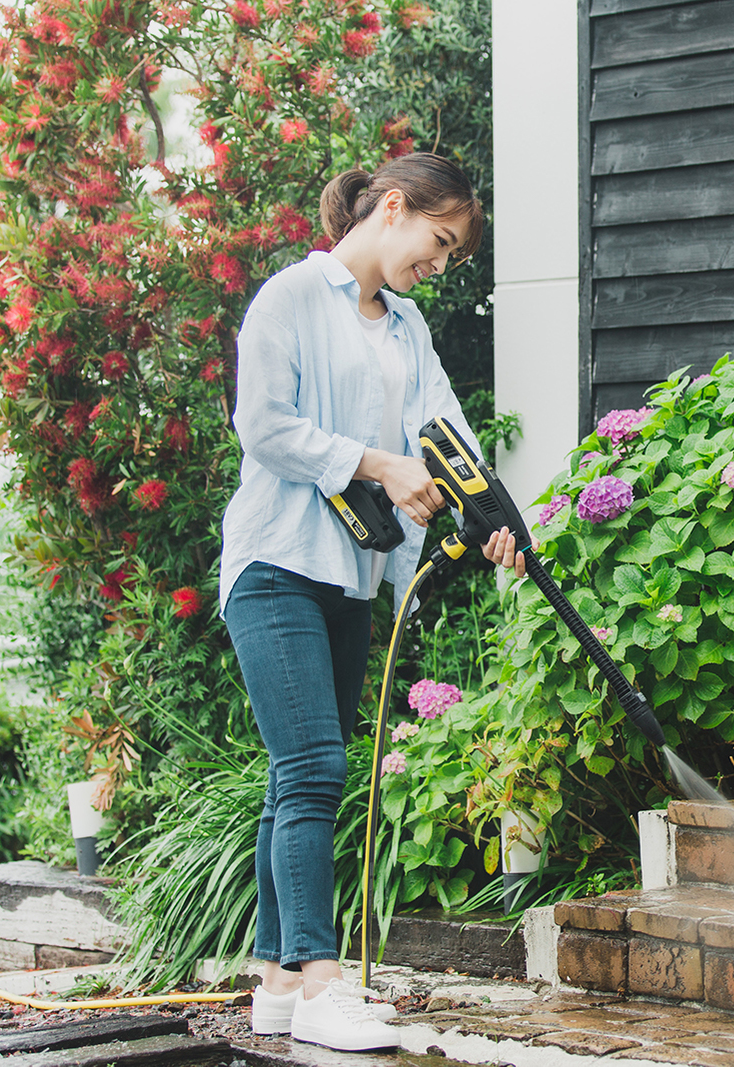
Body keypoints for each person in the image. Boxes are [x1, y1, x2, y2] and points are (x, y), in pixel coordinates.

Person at [219, 153, 523, 1052]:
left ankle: (276, 982)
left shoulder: (409, 329)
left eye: (449, 256)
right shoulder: (290, 298)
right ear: (392, 208)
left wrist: (497, 519)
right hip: (275, 564)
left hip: (351, 574)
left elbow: (448, 432)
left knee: (296, 778)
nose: (437, 265)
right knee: (315, 766)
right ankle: (321, 983)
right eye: (437, 242)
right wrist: (377, 461)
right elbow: (263, 425)